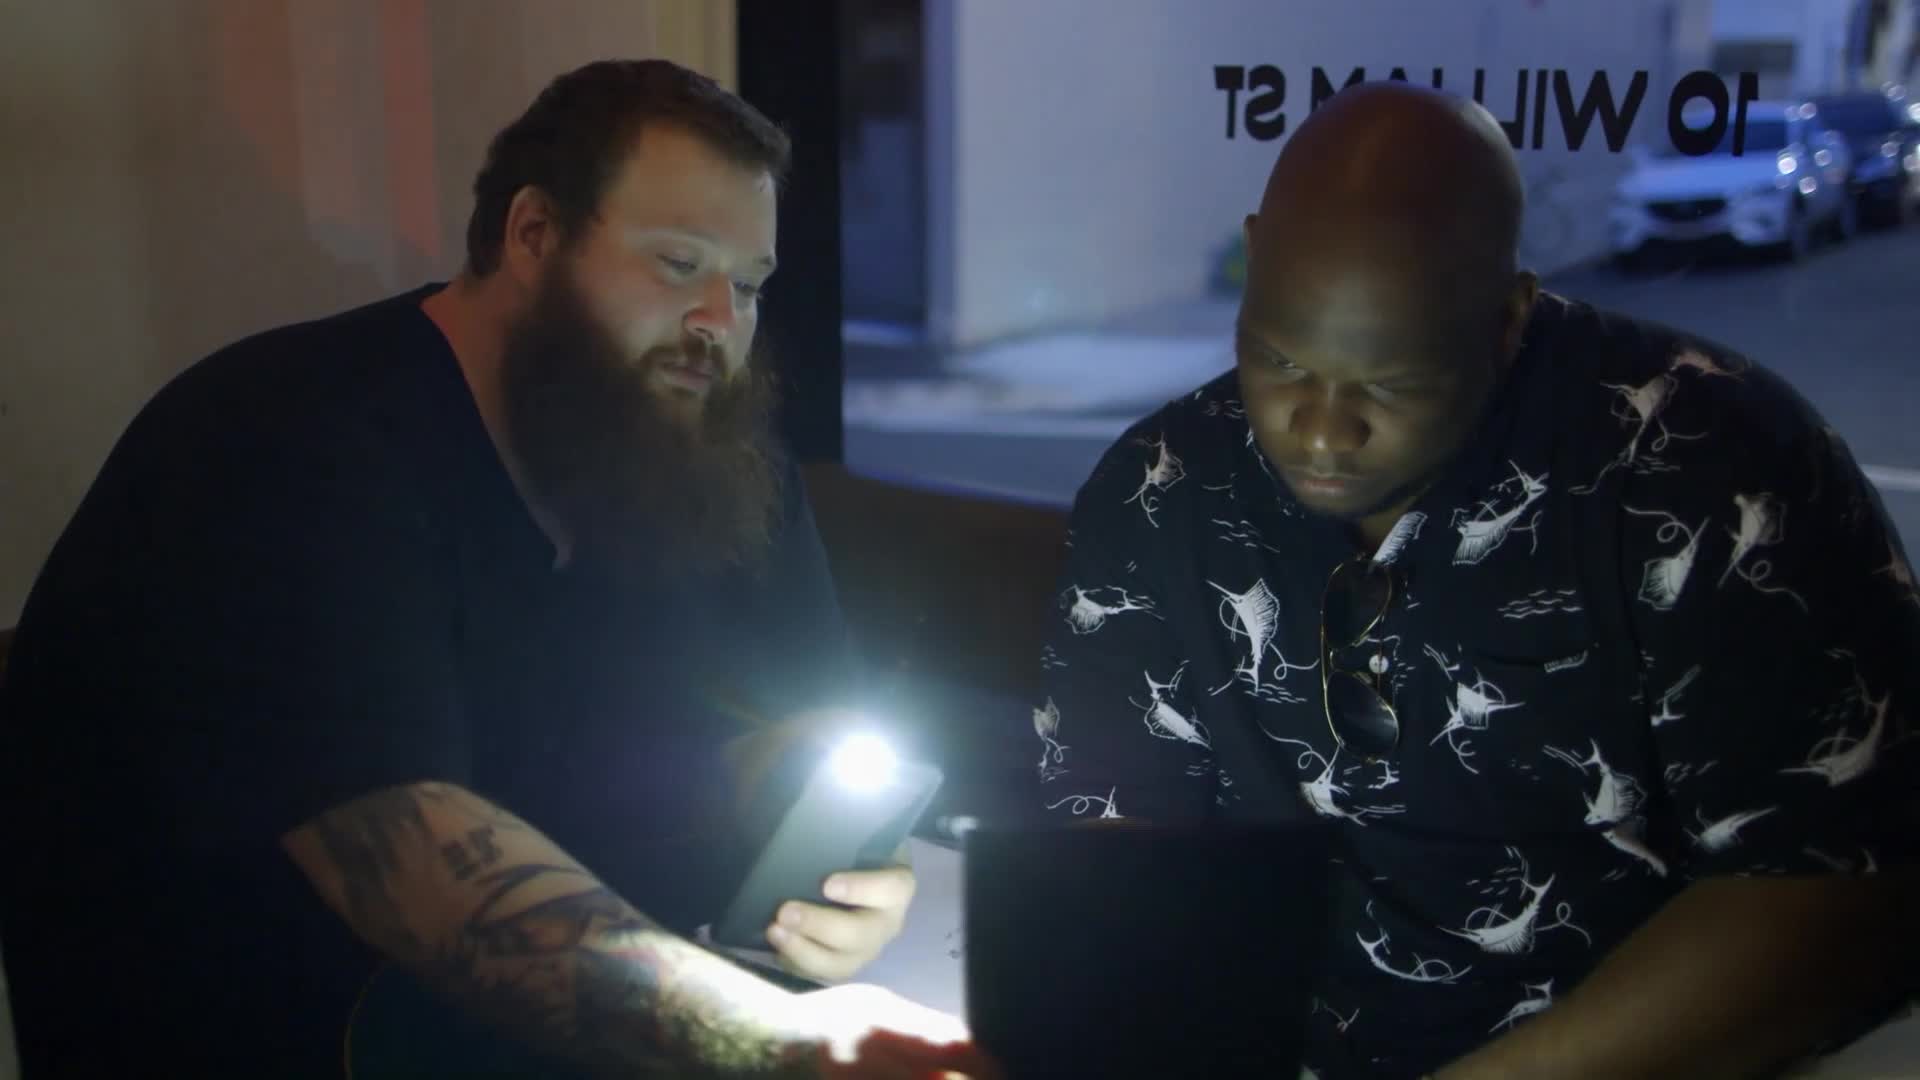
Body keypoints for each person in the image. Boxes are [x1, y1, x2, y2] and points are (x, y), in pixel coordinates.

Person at [0, 59, 970, 1077]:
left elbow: (796, 726)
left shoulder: (704, 444)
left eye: (749, 286)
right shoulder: (279, 440)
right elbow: (416, 860)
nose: (719, 326)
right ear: (533, 235)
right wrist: (775, 1044)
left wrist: (835, 867)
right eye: (678, 264)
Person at [1032, 81, 1920, 1078]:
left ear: (1509, 318)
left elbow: (1842, 885)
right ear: (1253, 258)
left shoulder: (1714, 466)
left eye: (1389, 383)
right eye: (1279, 361)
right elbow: (1119, 837)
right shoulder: (1162, 488)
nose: (1322, 430)